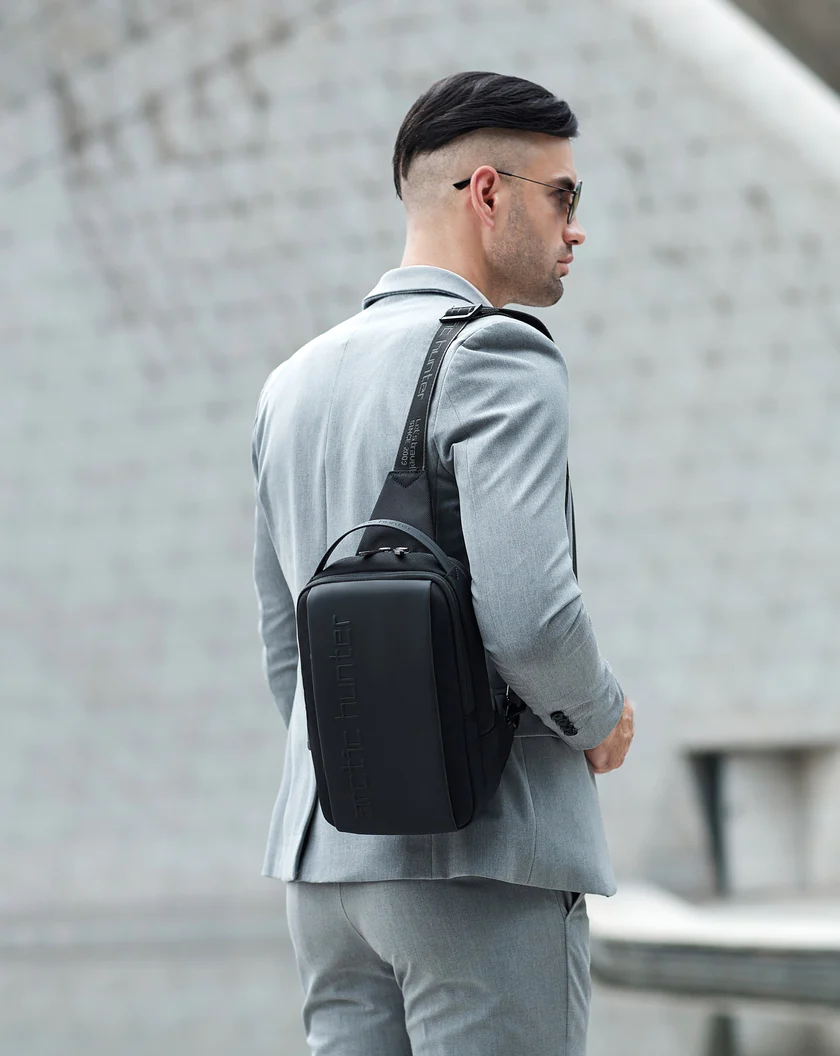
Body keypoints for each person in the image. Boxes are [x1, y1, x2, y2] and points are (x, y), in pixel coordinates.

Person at [251, 70, 635, 1056]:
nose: (577, 228)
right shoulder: (500, 354)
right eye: (564, 195)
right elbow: (530, 615)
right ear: (488, 193)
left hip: (325, 869)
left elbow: (286, 645)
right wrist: (599, 716)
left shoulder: (292, 383)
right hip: (481, 854)